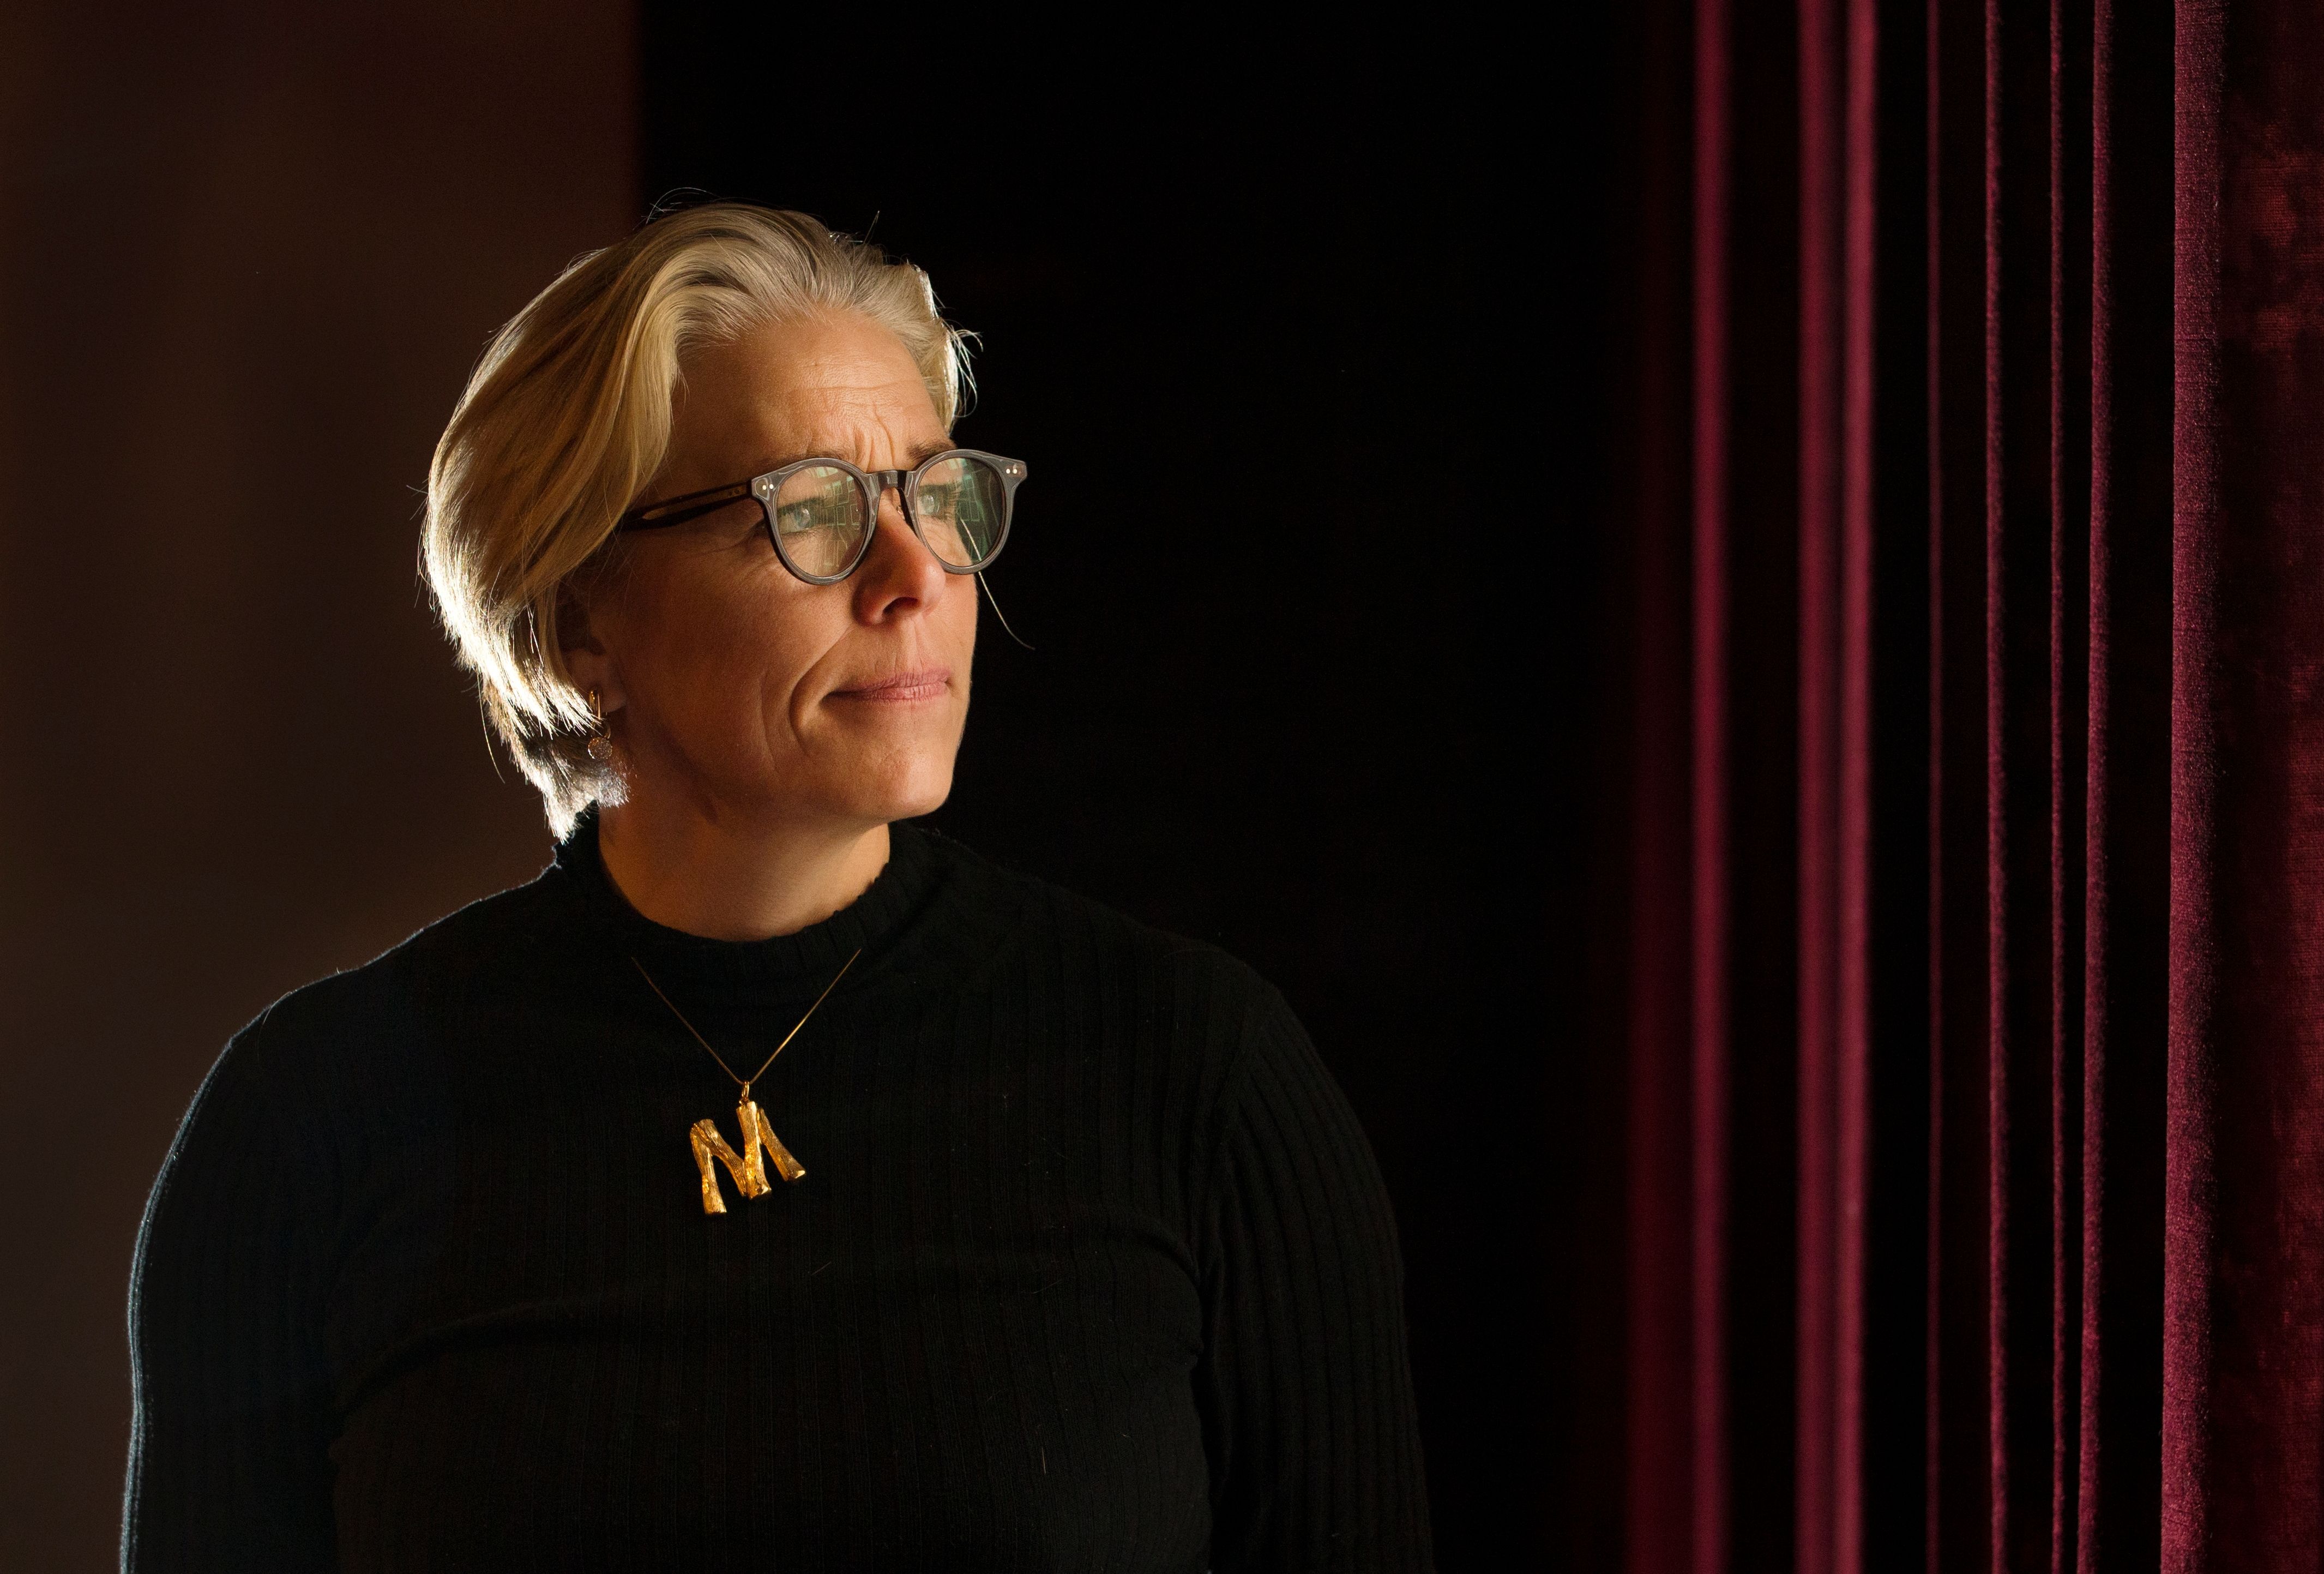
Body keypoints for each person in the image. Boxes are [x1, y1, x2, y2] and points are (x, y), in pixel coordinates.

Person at [122, 202, 1433, 1571]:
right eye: (810, 510)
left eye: (935, 495)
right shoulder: (309, 1127)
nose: (916, 576)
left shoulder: (1199, 1077)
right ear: (579, 623)